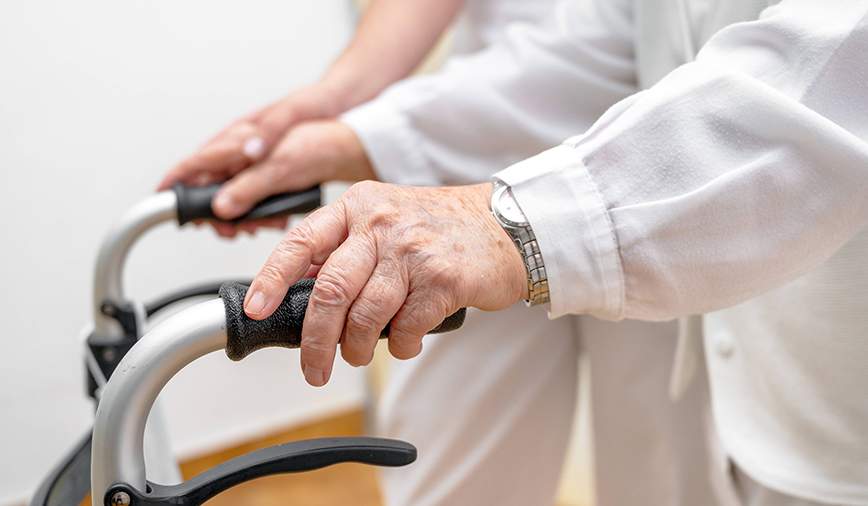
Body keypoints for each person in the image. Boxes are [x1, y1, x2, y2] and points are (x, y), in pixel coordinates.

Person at [230, 1, 868, 505]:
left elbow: (838, 69)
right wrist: (355, 131)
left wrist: (507, 226)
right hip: (570, 174)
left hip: (808, 331)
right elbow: (608, 40)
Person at [160, 2, 722, 505]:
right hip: (476, 154)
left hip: (654, 171)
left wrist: (354, 138)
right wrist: (337, 103)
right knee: (448, 461)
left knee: (662, 459)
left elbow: (617, 40)